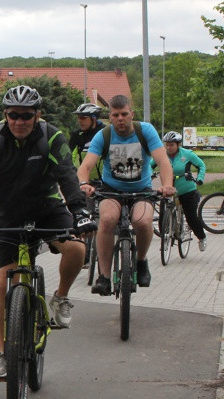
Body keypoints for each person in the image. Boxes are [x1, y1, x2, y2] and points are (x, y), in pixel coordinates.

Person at [0, 85, 94, 378]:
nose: (19, 121)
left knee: (77, 249)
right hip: (8, 214)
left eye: (26, 116)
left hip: (47, 207)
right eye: (13, 115)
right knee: (5, 281)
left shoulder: (51, 136)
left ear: (37, 115)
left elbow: (68, 174)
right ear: (5, 115)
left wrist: (80, 212)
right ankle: (4, 353)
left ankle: (61, 298)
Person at [77, 94, 175, 296]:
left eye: (124, 114)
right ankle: (103, 276)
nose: (120, 118)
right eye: (115, 115)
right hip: (111, 190)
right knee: (107, 220)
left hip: (142, 190)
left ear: (132, 114)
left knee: (142, 221)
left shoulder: (145, 131)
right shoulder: (104, 135)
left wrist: (167, 185)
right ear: (110, 117)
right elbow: (85, 166)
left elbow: (163, 162)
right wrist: (84, 183)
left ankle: (140, 262)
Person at [153, 131, 209, 251]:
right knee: (163, 213)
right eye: (167, 145)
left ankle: (202, 237)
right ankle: (165, 237)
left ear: (178, 144)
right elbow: (150, 165)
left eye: (171, 145)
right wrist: (148, 175)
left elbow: (201, 165)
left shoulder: (187, 154)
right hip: (168, 189)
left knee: (191, 218)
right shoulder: (162, 155)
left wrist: (200, 178)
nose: (168, 147)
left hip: (187, 190)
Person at [69, 103, 106, 177]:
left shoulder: (106, 132)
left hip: (105, 182)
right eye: (78, 117)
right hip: (84, 181)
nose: (79, 121)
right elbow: (69, 157)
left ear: (94, 118)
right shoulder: (76, 135)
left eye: (83, 118)